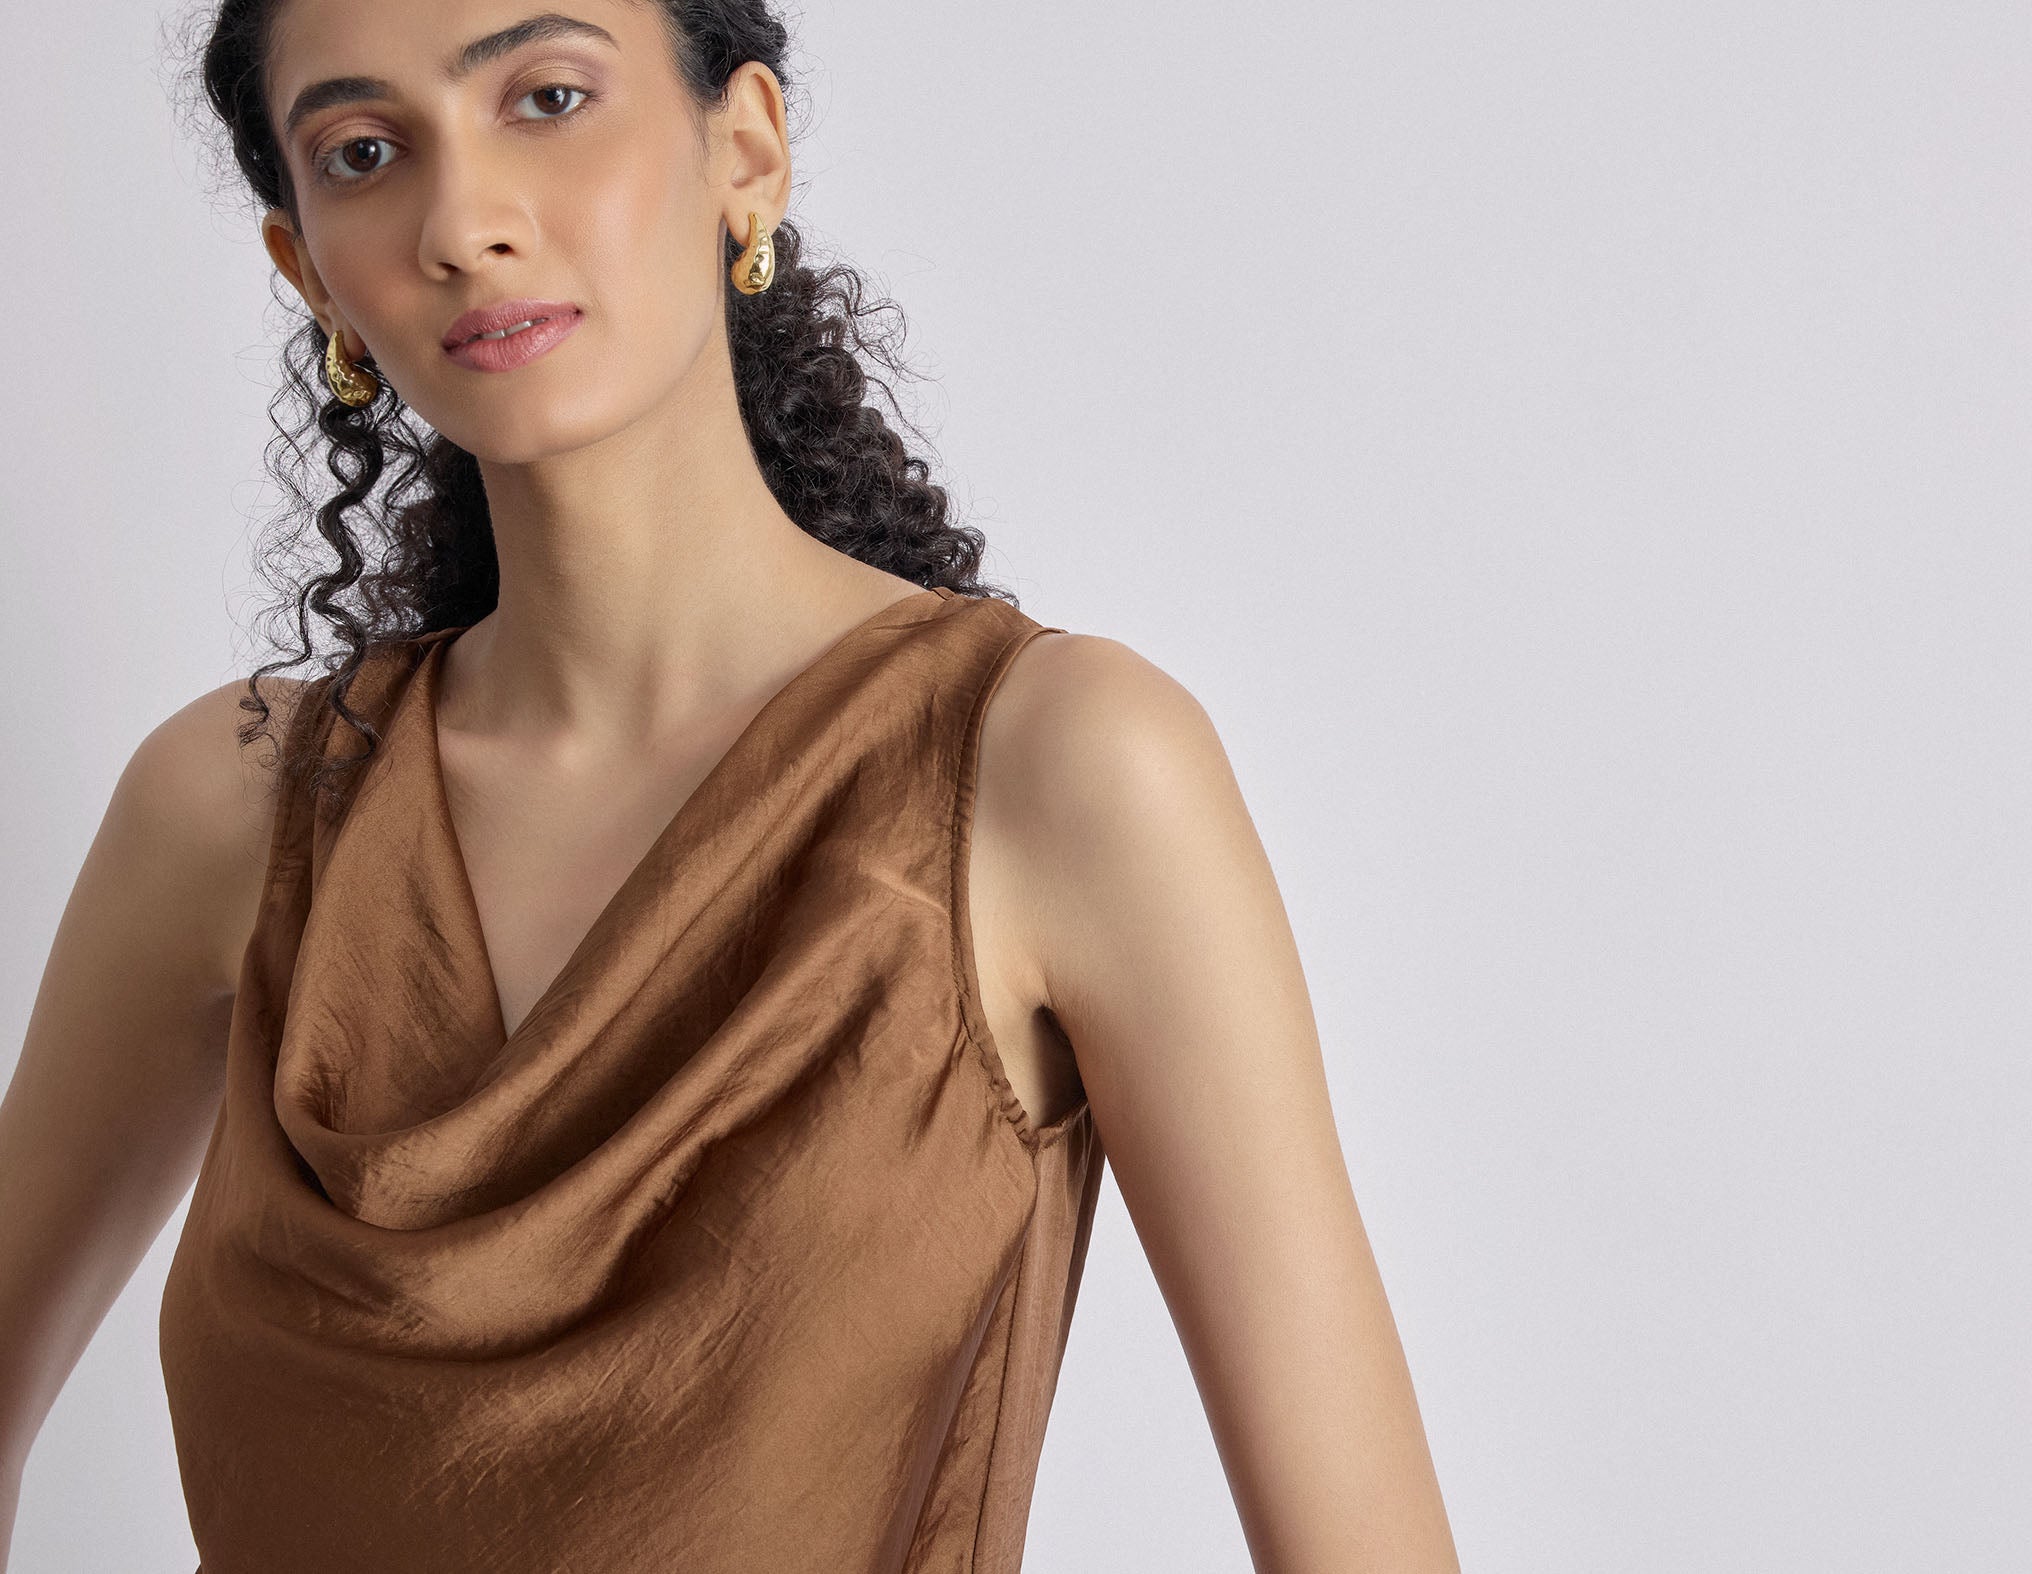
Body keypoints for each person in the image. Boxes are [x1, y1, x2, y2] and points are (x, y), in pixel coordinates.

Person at [0, 1, 1459, 1568]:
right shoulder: (231, 808)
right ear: (308, 271)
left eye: (547, 97)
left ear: (744, 148)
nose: (463, 222)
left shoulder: (1053, 768)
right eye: (364, 153)